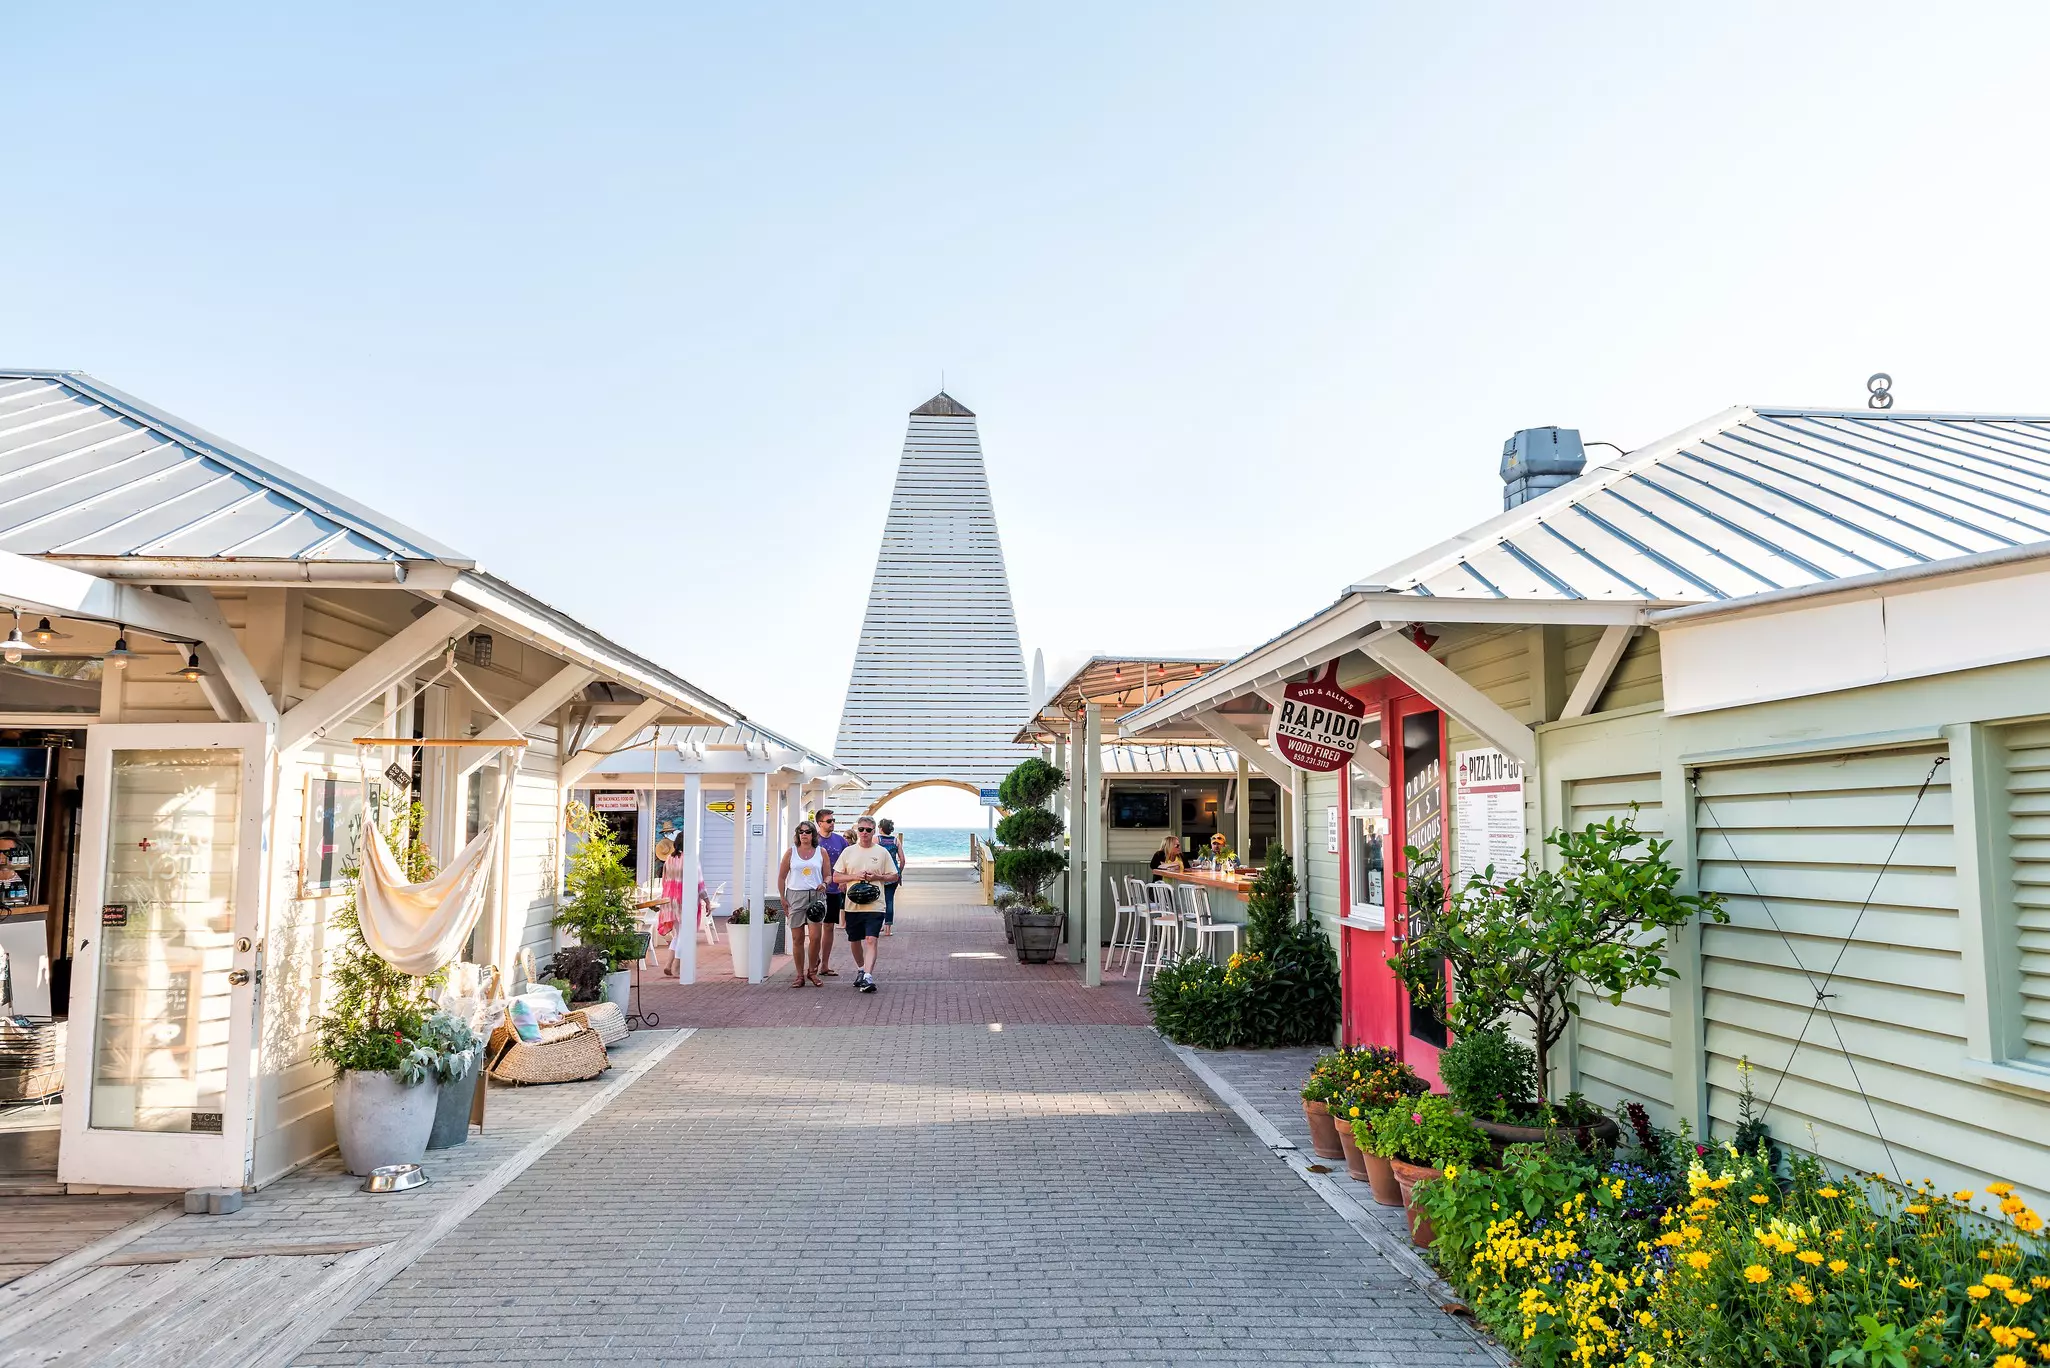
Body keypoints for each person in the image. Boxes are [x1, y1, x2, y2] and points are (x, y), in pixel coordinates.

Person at [832, 816, 899, 992]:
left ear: (874, 831)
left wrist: (877, 877)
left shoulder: (882, 852)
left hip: (876, 904)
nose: (864, 833)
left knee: (871, 939)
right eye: (861, 829)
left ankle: (868, 976)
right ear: (857, 831)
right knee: (854, 940)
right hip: (853, 904)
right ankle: (861, 969)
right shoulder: (848, 852)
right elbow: (836, 876)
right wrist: (855, 876)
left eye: (868, 830)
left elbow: (894, 875)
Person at [777, 820, 830, 988]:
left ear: (813, 834)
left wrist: (825, 884)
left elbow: (828, 875)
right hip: (795, 895)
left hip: (816, 896)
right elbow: (781, 877)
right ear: (797, 834)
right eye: (801, 831)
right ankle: (799, 975)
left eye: (807, 831)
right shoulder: (790, 853)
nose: (804, 834)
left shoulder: (821, 852)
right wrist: (782, 897)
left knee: (815, 937)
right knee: (797, 938)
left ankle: (812, 971)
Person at [814, 808, 848, 977]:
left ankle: (825, 964)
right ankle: (814, 961)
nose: (832, 823)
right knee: (815, 928)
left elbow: (847, 862)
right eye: (829, 821)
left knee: (829, 927)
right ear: (820, 823)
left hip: (834, 890)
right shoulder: (813, 841)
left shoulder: (840, 841)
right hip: (815, 891)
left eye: (833, 820)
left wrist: (845, 881)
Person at [654, 837, 685, 978]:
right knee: (684, 935)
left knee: (678, 934)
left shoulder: (668, 860)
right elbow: (697, 882)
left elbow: (664, 882)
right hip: (682, 900)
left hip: (669, 899)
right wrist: (706, 900)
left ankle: (668, 964)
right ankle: (677, 967)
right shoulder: (687, 859)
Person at [876, 818, 906, 935]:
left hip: (880, 874)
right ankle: (888, 929)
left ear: (881, 828)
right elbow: (902, 860)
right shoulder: (895, 841)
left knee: (878, 900)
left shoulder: (877, 839)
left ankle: (878, 926)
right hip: (893, 874)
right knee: (889, 900)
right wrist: (899, 872)